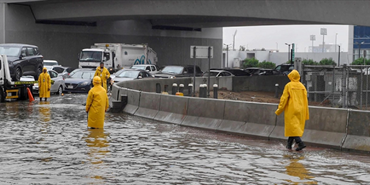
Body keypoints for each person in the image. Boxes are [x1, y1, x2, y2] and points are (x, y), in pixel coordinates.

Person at [275, 70, 309, 151]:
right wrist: (306, 112)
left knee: (292, 127)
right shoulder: (302, 86)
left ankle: (300, 143)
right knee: (294, 127)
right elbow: (305, 100)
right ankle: (289, 146)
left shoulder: (289, 85)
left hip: (292, 109)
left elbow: (284, 99)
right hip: (301, 109)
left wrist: (279, 110)